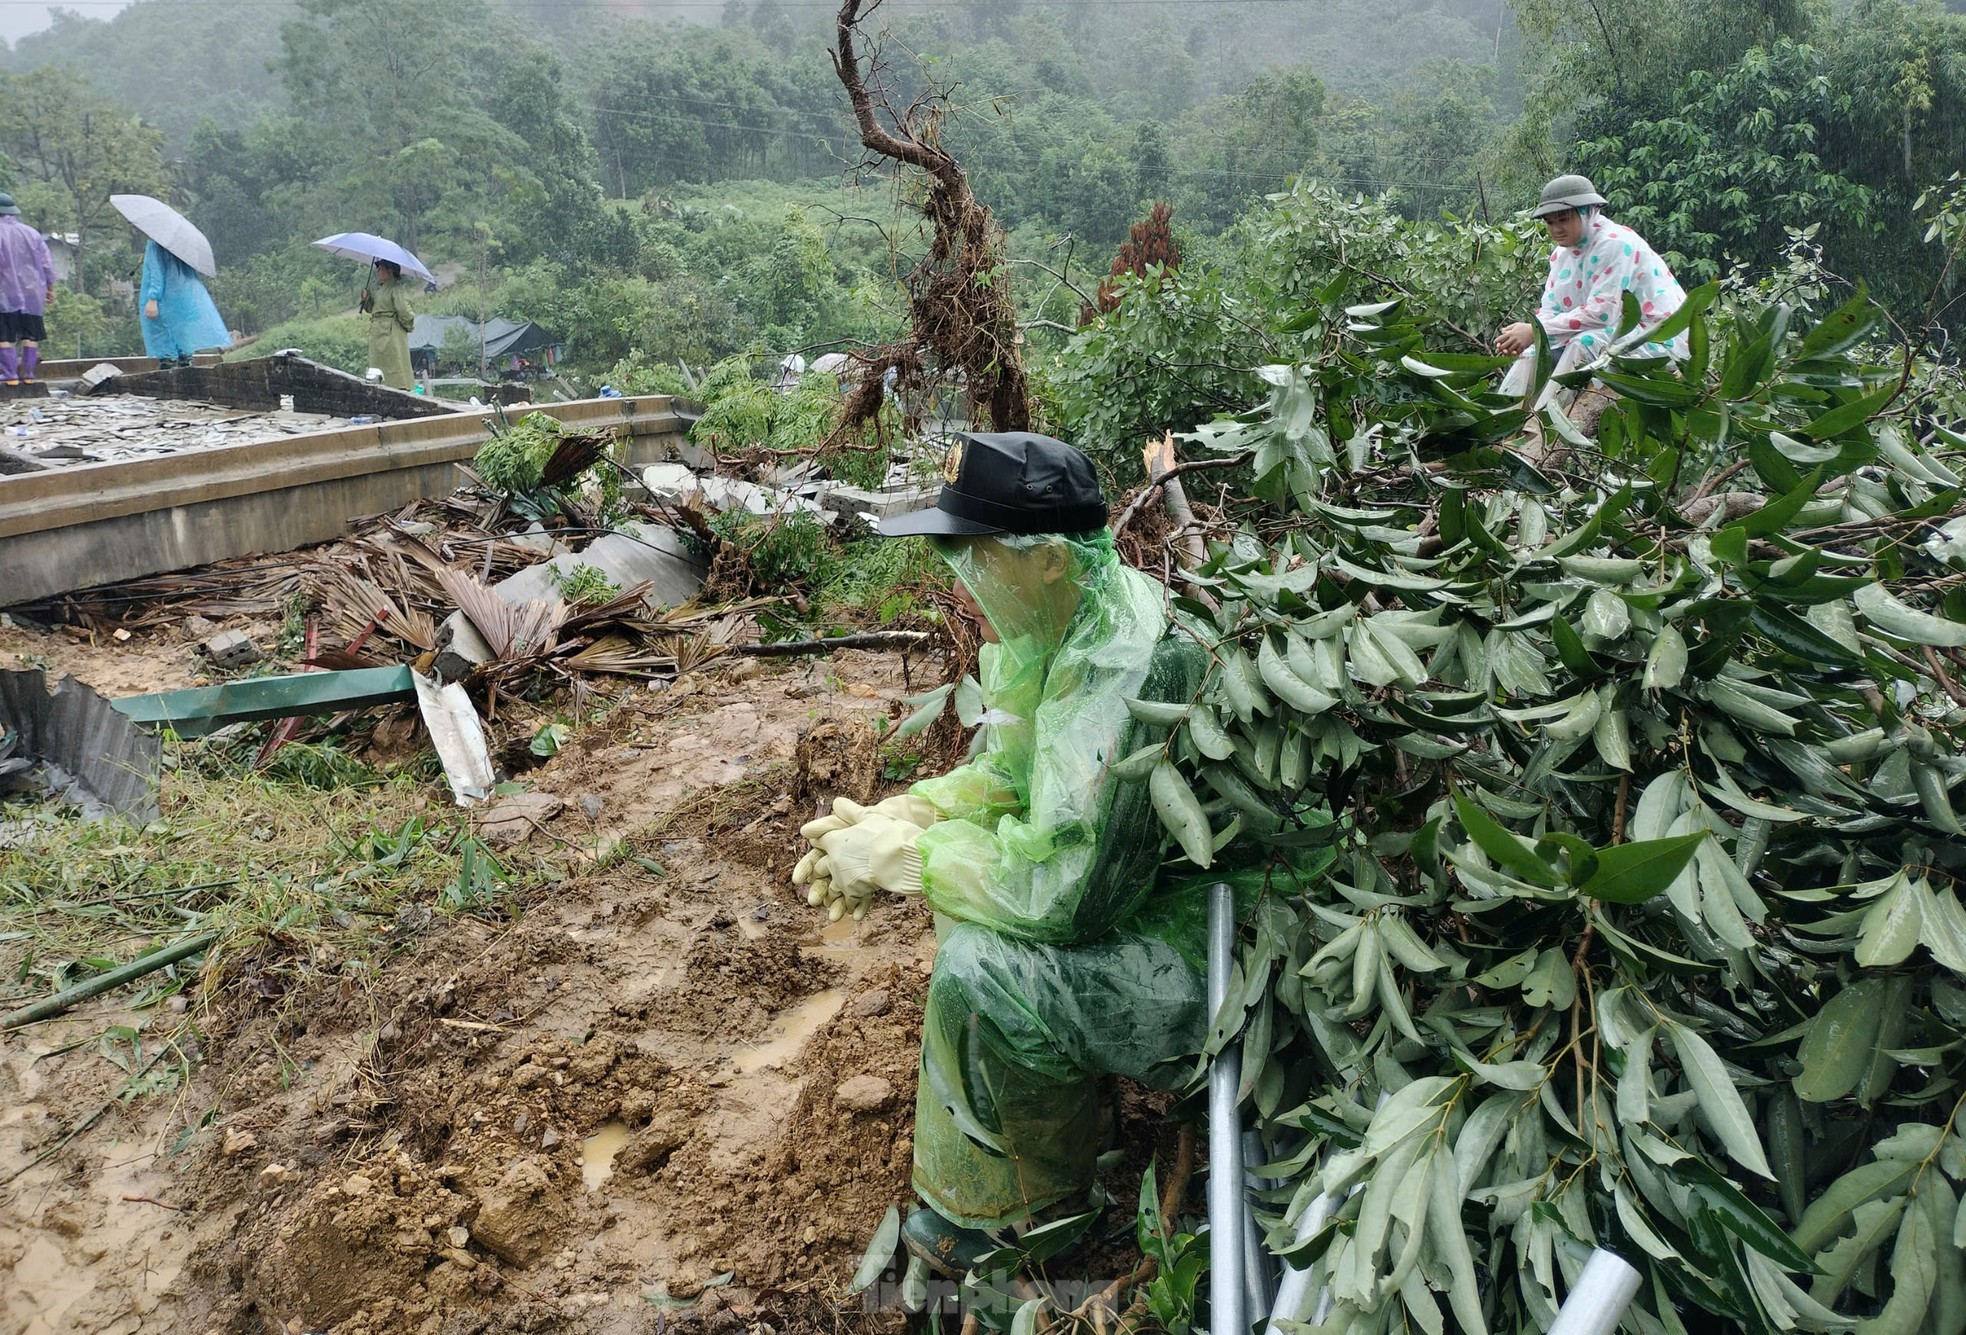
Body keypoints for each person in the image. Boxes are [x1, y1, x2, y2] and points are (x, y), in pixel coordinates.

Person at [793, 433, 1233, 1275]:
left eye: (979, 553)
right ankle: (1070, 1134)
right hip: (1139, 902)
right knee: (974, 924)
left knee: (982, 970)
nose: (967, 575)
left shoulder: (1122, 660)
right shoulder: (1064, 624)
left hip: (1204, 963)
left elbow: (1063, 894)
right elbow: (1012, 768)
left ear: (1050, 560)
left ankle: (1047, 1212)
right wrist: (910, 808)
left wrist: (912, 858)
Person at [1495, 174, 1688, 399]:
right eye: (1550, 222)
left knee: (1582, 343)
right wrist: (1531, 335)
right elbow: (1552, 309)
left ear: (1588, 211)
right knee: (1533, 352)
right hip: (1612, 336)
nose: (1556, 228)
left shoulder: (1615, 243)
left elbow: (1603, 314)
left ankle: (1549, 422)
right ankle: (1505, 417)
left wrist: (1535, 331)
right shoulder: (1561, 254)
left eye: (1563, 219)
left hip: (1657, 339)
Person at [138, 239, 229, 369]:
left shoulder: (156, 242)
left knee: (167, 350)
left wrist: (153, 298)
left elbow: (157, 273)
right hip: (183, 298)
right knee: (183, 349)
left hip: (165, 300)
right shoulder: (182, 243)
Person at [0, 193, 57, 386]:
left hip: (4, 293)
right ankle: (28, 375)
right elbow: (46, 263)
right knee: (30, 333)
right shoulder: (31, 233)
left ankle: (10, 376)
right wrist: (50, 287)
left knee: (3, 334)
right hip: (32, 292)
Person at [360, 259, 416, 390]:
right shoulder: (381, 290)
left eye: (381, 269)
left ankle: (399, 386)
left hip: (391, 333)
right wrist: (366, 297)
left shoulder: (396, 289)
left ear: (390, 271)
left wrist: (408, 324)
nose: (378, 272)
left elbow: (404, 311)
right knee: (378, 364)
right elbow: (372, 309)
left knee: (394, 363)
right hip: (377, 333)